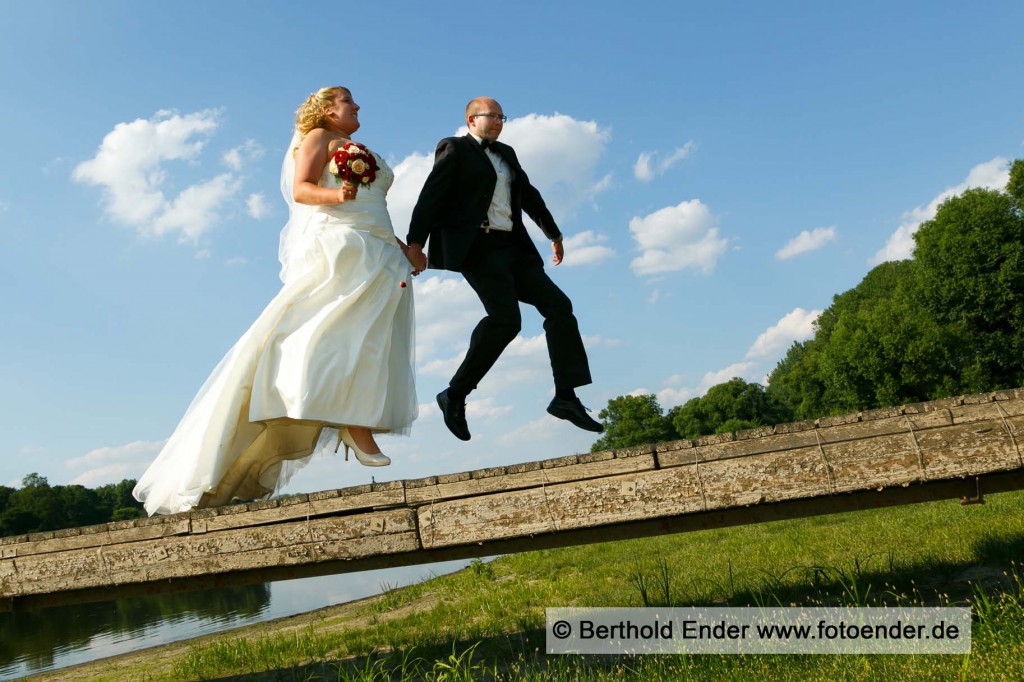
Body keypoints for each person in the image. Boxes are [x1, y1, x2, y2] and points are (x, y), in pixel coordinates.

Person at [133, 86, 421, 516]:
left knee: (373, 338)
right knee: (332, 329)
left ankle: (352, 417)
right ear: (327, 110)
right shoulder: (318, 139)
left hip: (378, 248)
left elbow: (372, 207)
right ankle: (337, 412)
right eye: (349, 102)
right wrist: (336, 195)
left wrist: (402, 247)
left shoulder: (358, 149)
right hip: (344, 246)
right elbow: (304, 189)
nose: (357, 107)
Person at [406, 97, 602, 441]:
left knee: (560, 308)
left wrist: (553, 233)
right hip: (478, 249)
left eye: (501, 116)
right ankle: (455, 394)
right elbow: (431, 195)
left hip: (515, 249)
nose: (498, 121)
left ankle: (565, 396)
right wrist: (415, 244)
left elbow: (528, 195)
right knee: (507, 320)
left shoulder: (507, 153)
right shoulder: (454, 148)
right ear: (471, 119)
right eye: (491, 116)